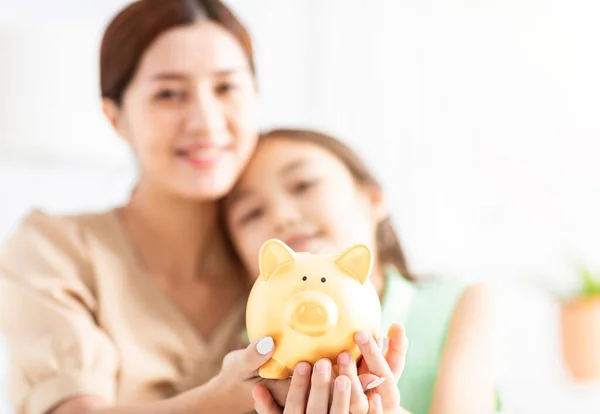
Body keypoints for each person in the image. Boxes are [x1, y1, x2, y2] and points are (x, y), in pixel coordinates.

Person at [0, 1, 404, 413]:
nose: (205, 121)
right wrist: (224, 396)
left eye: (226, 88)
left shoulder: (279, 262)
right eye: (168, 94)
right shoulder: (54, 250)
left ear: (256, 97)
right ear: (115, 117)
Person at [222, 128, 499, 414]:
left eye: (303, 185)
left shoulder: (456, 303)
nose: (283, 216)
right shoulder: (252, 358)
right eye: (252, 212)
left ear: (372, 198)